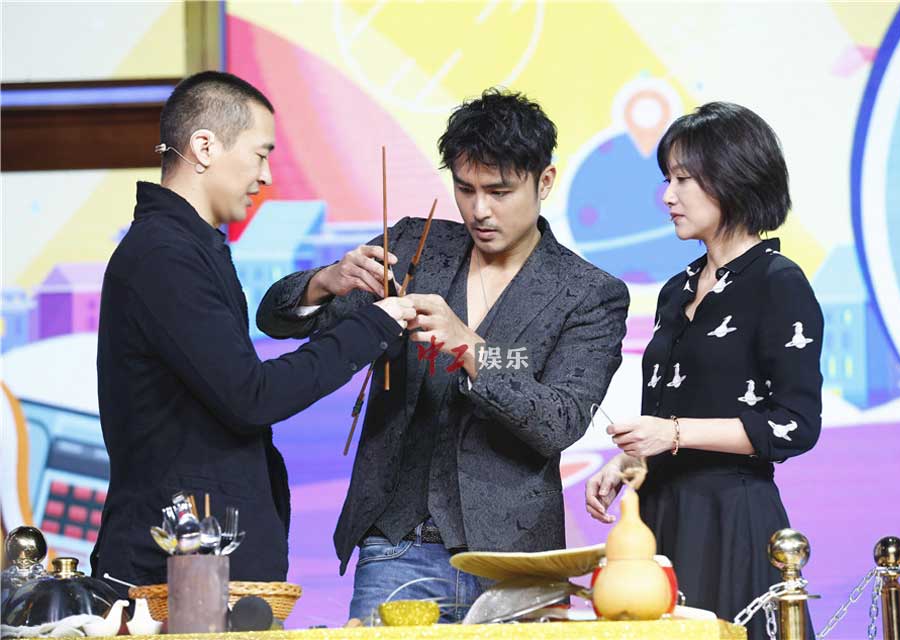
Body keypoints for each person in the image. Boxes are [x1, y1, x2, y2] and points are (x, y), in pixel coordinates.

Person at [257, 88, 630, 622]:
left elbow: (560, 417)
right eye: (465, 188)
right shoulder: (415, 245)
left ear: (545, 181)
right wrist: (326, 281)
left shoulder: (589, 292)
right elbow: (275, 318)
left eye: (499, 191)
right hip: (396, 547)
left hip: (516, 561)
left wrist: (472, 349)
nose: (480, 210)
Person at [93, 71, 414, 585]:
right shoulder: (163, 256)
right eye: (260, 154)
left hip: (201, 557)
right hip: (176, 568)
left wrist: (327, 283)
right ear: (204, 147)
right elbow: (252, 396)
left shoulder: (188, 247)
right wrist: (373, 325)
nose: (265, 177)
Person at [584, 102, 823, 638]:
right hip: (658, 518)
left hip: (732, 520)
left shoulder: (778, 282)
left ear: (732, 178)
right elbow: (671, 413)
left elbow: (796, 424)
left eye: (683, 180)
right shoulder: (676, 290)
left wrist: (671, 434)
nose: (668, 196)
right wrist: (628, 462)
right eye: (667, 180)